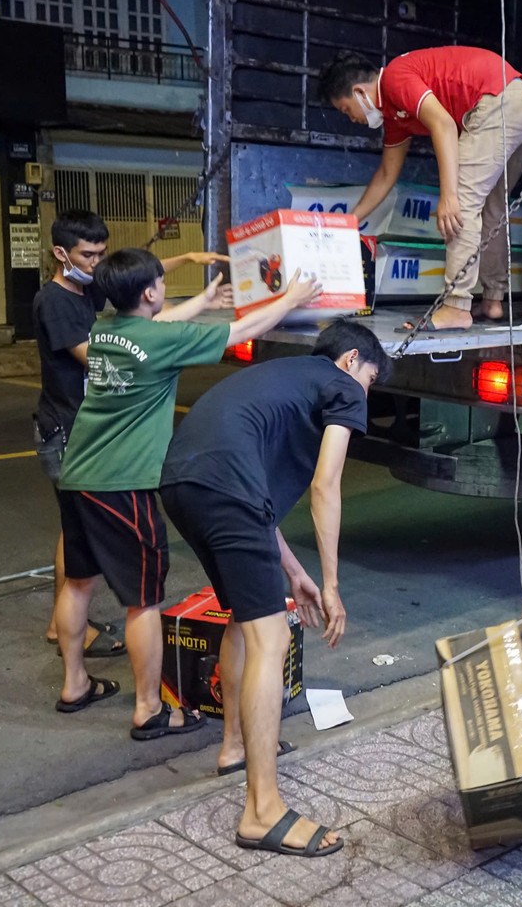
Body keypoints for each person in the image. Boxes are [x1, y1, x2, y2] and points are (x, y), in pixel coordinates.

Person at [52, 248, 322, 743]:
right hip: (123, 484)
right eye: (161, 285)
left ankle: (74, 684)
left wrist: (201, 299)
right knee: (143, 601)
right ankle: (150, 709)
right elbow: (242, 332)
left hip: (77, 477)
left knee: (77, 582)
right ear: (151, 292)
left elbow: (161, 323)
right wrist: (291, 298)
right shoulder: (161, 340)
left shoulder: (105, 332)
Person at [160, 319, 388, 857]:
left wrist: (296, 573)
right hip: (224, 490)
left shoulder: (282, 378)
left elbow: (251, 501)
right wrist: (332, 584)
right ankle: (262, 812)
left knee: (246, 617)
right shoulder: (341, 386)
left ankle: (234, 746)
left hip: (182, 482)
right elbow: (325, 484)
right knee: (272, 638)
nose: (366, 394)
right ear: (352, 360)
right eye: (372, 379)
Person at [33, 209, 230, 657]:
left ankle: (67, 635)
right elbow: (129, 344)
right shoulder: (57, 302)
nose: (96, 263)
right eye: (88, 255)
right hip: (69, 429)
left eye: (101, 255)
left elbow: (135, 304)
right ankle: (67, 632)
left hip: (86, 430)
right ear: (61, 253)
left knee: (77, 545)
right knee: (80, 548)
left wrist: (186, 264)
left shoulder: (87, 293)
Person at [320, 47, 522, 332]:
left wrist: (449, 197)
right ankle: (493, 300)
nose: (352, 119)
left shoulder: (395, 80)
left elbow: (444, 124)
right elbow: (387, 173)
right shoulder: (395, 115)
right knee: (491, 206)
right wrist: (350, 221)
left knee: (462, 203)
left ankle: (456, 306)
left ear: (360, 92)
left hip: (499, 104)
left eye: (346, 109)